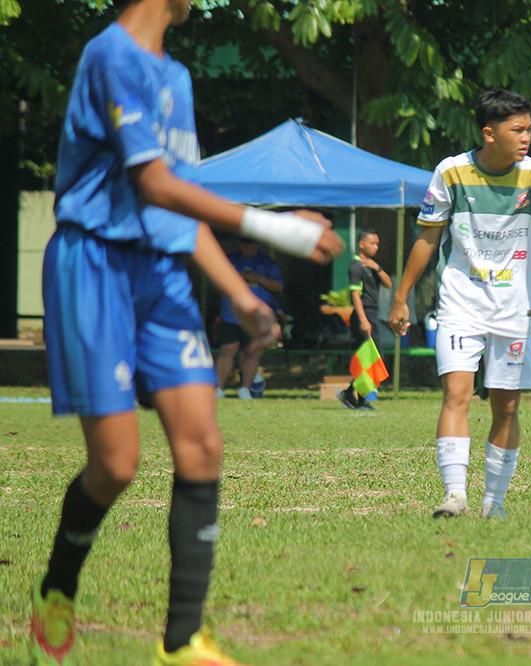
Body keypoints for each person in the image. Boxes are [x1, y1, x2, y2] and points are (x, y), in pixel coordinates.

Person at [30, 0, 345, 664]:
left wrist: (241, 297)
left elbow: (180, 200)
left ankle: (182, 641)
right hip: (94, 264)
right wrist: (279, 227)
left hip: (161, 274)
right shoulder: (109, 57)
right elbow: (152, 183)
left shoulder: (176, 78)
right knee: (116, 465)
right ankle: (57, 586)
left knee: (202, 445)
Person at [389, 88, 531, 520]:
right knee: (456, 393)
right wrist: (401, 296)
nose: (526, 137)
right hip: (460, 304)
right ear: (489, 133)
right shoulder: (451, 173)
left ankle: (493, 503)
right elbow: (427, 238)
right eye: (517, 129)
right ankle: (454, 495)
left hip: (515, 311)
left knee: (507, 406)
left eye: (529, 129)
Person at [215, 237, 284, 400]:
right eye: (246, 247)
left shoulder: (267, 262)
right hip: (230, 314)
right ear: (241, 245)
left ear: (257, 246)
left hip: (256, 316)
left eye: (253, 247)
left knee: (252, 352)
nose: (249, 251)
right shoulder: (230, 259)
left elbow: (278, 286)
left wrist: (258, 278)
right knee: (227, 350)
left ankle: (245, 389)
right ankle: (218, 389)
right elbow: (217, 277)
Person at [338, 229, 392, 411]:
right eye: (372, 243)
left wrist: (377, 267)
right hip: (364, 314)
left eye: (377, 244)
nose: (376, 247)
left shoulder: (371, 266)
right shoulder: (355, 267)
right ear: (361, 244)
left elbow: (388, 283)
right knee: (371, 358)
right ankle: (359, 399)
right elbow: (355, 296)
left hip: (372, 314)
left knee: (372, 358)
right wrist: (363, 320)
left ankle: (351, 394)